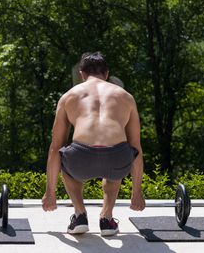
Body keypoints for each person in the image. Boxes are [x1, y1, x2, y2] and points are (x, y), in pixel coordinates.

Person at [42, 52, 145, 236]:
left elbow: (55, 148)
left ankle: (80, 215)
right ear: (107, 74)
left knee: (63, 157)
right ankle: (106, 219)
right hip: (117, 161)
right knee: (119, 155)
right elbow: (135, 147)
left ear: (81, 74)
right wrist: (137, 193)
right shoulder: (126, 97)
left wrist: (50, 193)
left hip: (80, 161)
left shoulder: (68, 97)